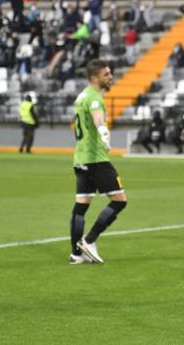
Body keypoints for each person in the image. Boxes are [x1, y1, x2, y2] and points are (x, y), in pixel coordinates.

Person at [69, 59, 128, 264]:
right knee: (120, 201)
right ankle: (89, 240)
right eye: (106, 74)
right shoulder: (94, 98)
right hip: (96, 159)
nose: (111, 77)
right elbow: (98, 120)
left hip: (80, 158)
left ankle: (76, 255)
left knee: (81, 205)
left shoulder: (81, 96)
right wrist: (103, 132)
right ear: (94, 78)